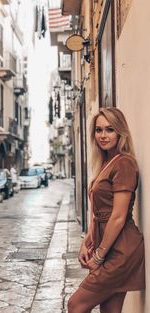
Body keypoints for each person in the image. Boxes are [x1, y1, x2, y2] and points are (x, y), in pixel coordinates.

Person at [68, 107, 145, 313]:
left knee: (75, 305)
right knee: (110, 310)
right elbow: (98, 212)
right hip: (108, 244)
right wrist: (87, 241)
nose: (103, 135)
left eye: (110, 130)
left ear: (120, 132)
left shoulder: (124, 163)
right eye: (98, 130)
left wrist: (99, 256)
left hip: (121, 249)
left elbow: (118, 217)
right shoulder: (106, 163)